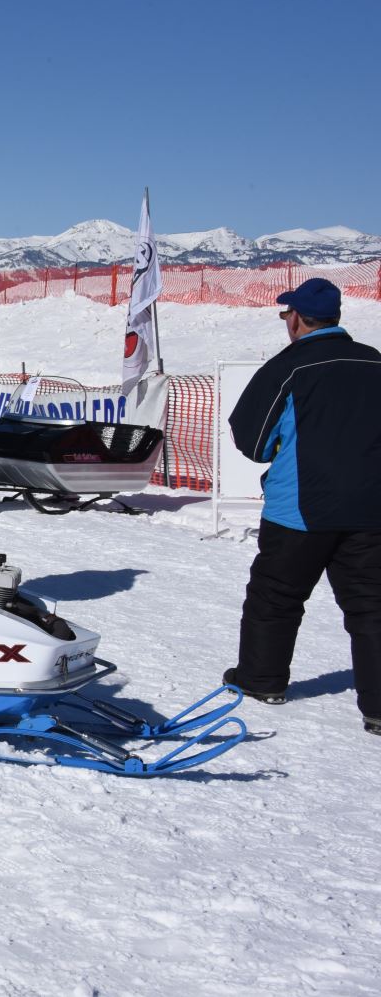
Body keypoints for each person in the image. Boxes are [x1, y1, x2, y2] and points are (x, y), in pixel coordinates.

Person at [224, 278, 381, 736]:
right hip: (372, 506)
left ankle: (262, 680)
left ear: (295, 318)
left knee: (276, 594)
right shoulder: (375, 362)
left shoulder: (290, 366)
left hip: (301, 507)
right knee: (371, 605)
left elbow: (252, 440)